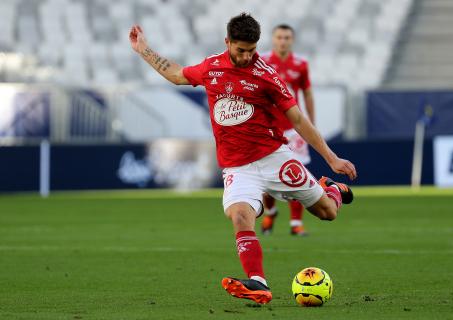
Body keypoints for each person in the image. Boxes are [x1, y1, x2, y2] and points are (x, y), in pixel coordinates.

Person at [129, 13, 357, 305]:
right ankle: (259, 283)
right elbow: (176, 74)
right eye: (241, 50)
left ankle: (333, 189)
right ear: (228, 43)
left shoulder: (266, 75)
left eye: (252, 50)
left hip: (274, 158)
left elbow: (298, 119)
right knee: (239, 216)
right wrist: (143, 49)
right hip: (238, 167)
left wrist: (331, 157)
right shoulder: (211, 67)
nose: (247, 56)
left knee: (327, 213)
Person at [261, 24, 315, 236]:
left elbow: (308, 93)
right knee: (266, 177)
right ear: (273, 39)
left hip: (294, 129)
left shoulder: (301, 65)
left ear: (292, 40)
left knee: (298, 174)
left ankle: (295, 223)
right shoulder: (262, 62)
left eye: (287, 37)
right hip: (269, 129)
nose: (283, 41)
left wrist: (311, 122)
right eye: (279, 37)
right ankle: (270, 212)